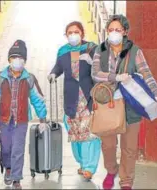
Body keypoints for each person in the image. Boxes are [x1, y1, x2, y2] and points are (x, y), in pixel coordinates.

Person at [91, 14, 157, 190]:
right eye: (111, 30)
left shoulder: (134, 51)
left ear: (125, 32)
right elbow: (95, 73)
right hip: (108, 106)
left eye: (118, 30)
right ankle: (111, 170)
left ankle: (126, 180)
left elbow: (146, 73)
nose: (113, 33)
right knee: (108, 145)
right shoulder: (100, 49)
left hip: (130, 105)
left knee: (129, 148)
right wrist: (116, 77)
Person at [0, 40, 47, 189]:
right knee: (6, 148)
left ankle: (16, 178)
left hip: (21, 121)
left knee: (18, 149)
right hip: (4, 120)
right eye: (13, 57)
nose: (16, 61)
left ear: (24, 61)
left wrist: (43, 118)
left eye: (20, 58)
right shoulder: (0, 77)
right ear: (9, 60)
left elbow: (38, 99)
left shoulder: (29, 78)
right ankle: (8, 168)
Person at [48, 21, 101, 181]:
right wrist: (52, 74)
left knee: (90, 134)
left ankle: (89, 167)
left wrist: (92, 62)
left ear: (82, 33)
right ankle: (82, 162)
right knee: (75, 133)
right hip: (71, 99)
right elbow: (58, 67)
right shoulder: (63, 51)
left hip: (88, 97)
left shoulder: (92, 48)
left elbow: (103, 67)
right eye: (69, 32)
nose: (73, 35)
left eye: (76, 32)